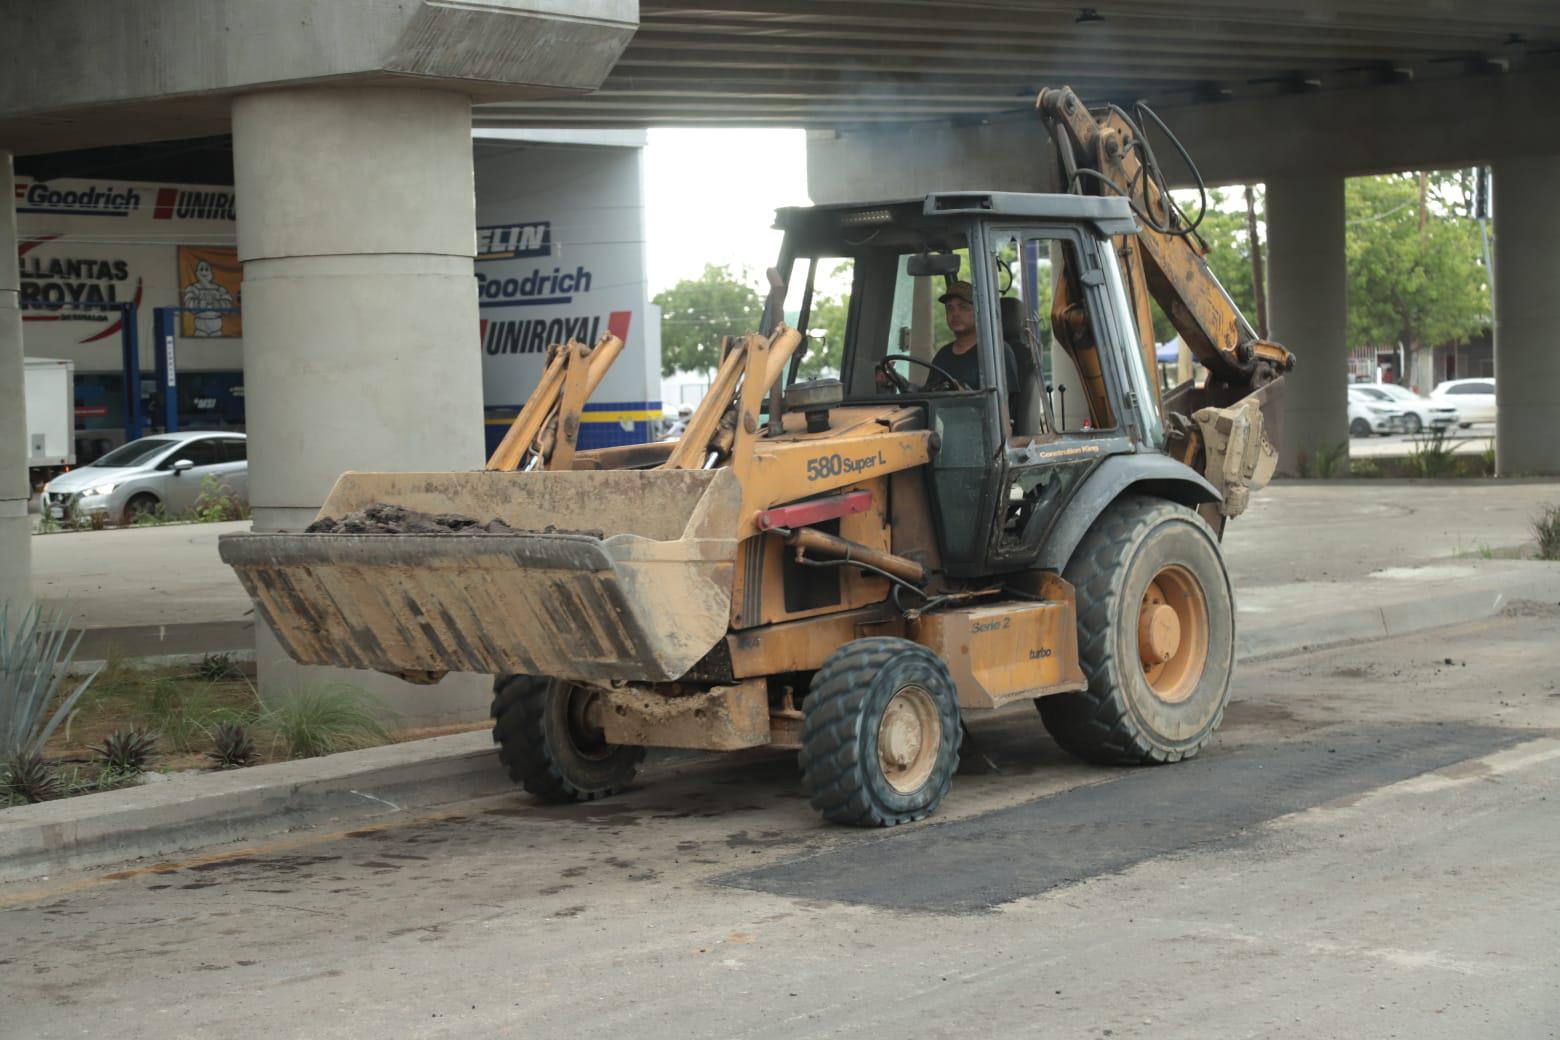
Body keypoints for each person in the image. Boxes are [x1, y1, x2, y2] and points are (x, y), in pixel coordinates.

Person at [923, 280, 1017, 392]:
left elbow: (1007, 405)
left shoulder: (996, 352)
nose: (955, 314)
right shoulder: (942, 355)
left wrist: (966, 397)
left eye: (963, 307)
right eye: (950, 308)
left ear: (979, 312)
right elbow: (929, 397)